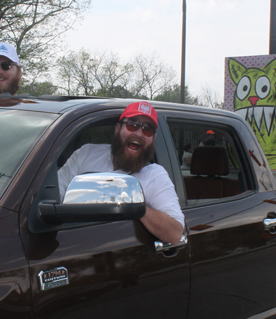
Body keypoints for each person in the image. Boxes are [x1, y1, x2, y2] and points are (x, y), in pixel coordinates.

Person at [58, 101, 184, 245]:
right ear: (118, 129)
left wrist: (136, 205)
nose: (138, 133)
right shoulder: (86, 154)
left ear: (153, 139)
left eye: (147, 129)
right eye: (132, 124)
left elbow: (175, 234)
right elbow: (53, 197)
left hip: (118, 251)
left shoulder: (155, 175)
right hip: (69, 244)